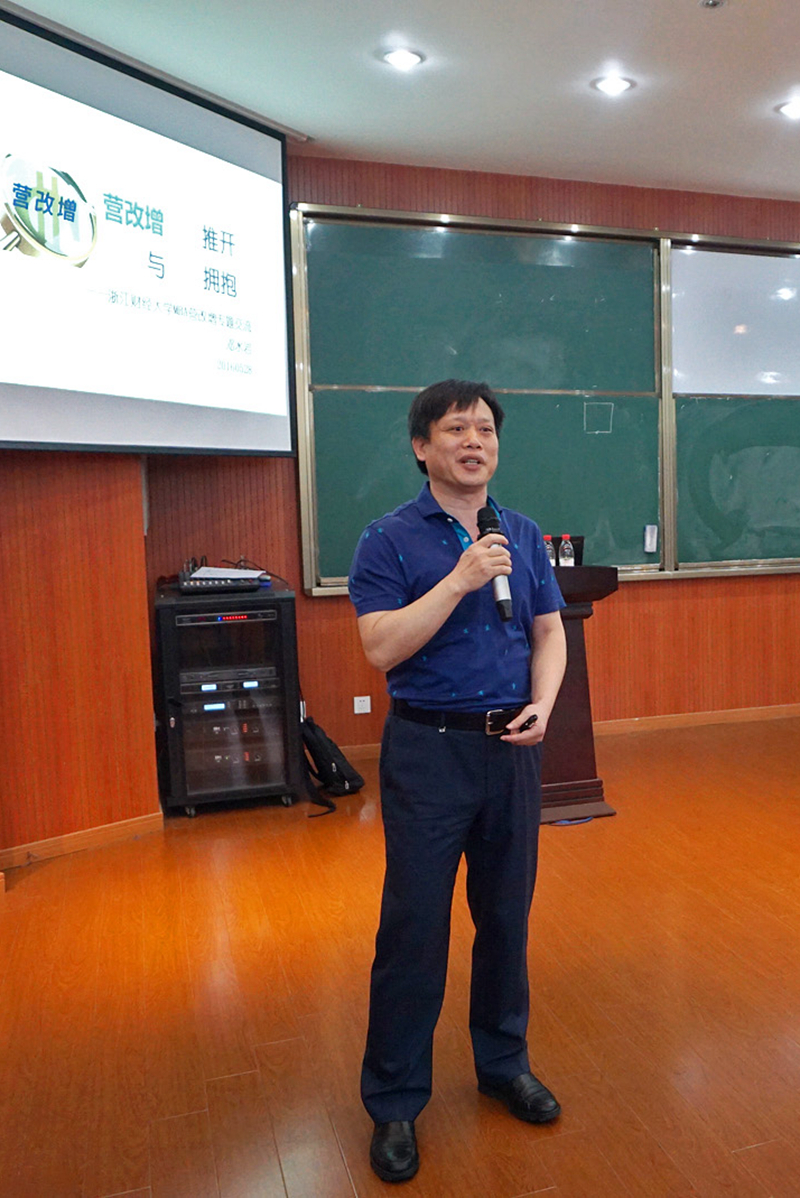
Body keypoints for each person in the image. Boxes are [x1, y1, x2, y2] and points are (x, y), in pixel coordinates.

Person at [348, 378, 567, 1184]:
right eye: (455, 429)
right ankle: (395, 1100)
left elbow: (548, 631)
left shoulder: (524, 532)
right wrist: (460, 578)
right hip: (428, 753)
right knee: (414, 928)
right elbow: (380, 646)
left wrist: (544, 704)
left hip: (511, 750)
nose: (474, 442)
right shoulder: (388, 539)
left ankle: (503, 1064)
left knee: (506, 916)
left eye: (485, 430)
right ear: (422, 446)